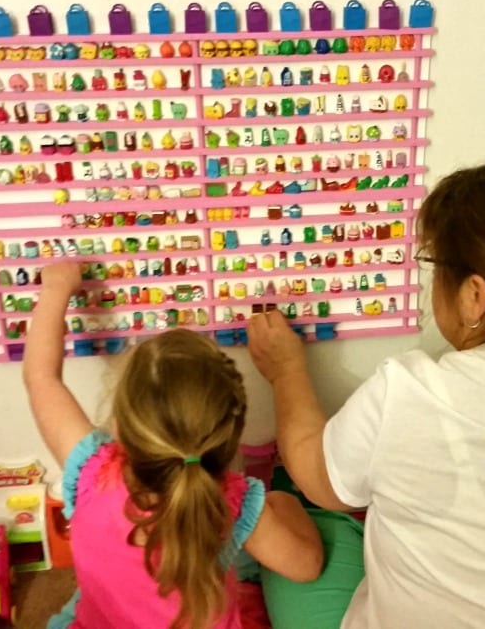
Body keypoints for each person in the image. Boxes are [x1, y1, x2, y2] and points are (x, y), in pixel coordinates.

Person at [247, 163, 485, 628]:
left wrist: (286, 370)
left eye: (431, 264)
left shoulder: (414, 392)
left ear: (474, 295)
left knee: (296, 523)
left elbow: (317, 478)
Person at [23, 262, 323, 629]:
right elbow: (306, 566)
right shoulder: (232, 501)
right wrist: (286, 504)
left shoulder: (91, 469)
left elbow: (40, 377)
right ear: (230, 435)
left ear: (120, 421)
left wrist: (55, 288)